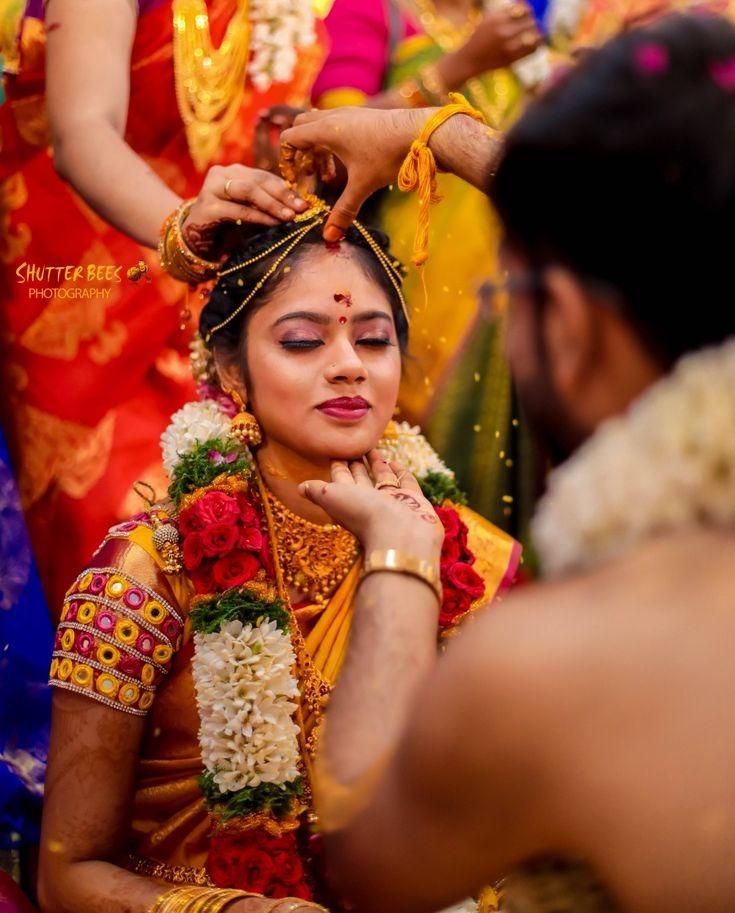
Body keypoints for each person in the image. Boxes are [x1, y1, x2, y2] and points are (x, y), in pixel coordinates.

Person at [283, 13, 735, 912]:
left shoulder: (554, 672)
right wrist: (432, 130)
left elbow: (369, 859)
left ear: (562, 324)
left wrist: (403, 554)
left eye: (510, 289)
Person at [37, 185, 520, 913]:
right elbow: (66, 874)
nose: (348, 364)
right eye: (302, 341)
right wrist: (232, 910)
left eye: (373, 339)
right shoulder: (147, 579)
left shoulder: (472, 563)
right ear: (231, 372)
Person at [0, 0, 326, 613]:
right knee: (126, 565)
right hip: (86, 311)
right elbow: (83, 131)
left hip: (220, 303)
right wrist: (185, 232)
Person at [307, 0, 543, 531]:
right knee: (415, 462)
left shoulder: (511, 17)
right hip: (415, 282)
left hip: (512, 282)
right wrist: (459, 66)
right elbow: (333, 139)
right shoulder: (370, 12)